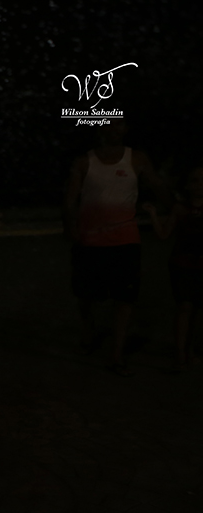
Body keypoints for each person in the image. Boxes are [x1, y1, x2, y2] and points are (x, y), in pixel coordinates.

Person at [63, 121, 169, 375]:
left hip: (125, 239)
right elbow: (70, 199)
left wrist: (175, 203)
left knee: (124, 297)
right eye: (108, 125)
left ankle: (116, 352)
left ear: (125, 129)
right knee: (86, 295)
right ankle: (89, 332)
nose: (113, 130)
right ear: (99, 130)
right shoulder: (84, 162)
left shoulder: (137, 159)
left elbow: (158, 186)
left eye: (118, 125)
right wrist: (72, 228)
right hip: (90, 240)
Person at [144, 164, 203, 371]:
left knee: (196, 310)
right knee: (185, 307)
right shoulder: (180, 208)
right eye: (195, 180)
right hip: (182, 264)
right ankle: (180, 353)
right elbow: (163, 235)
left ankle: (191, 351)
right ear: (187, 185)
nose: (199, 185)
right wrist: (152, 215)